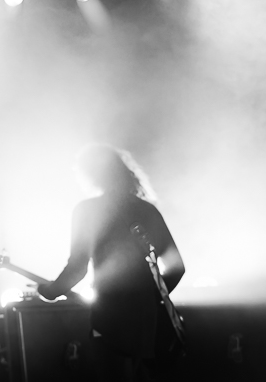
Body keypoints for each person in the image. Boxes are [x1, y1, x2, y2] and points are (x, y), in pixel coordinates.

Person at [37, 143, 186, 382]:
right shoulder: (148, 211)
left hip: (110, 321)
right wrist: (152, 297)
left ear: (92, 173)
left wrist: (50, 291)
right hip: (148, 326)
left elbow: (77, 268)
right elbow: (177, 267)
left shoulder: (88, 210)